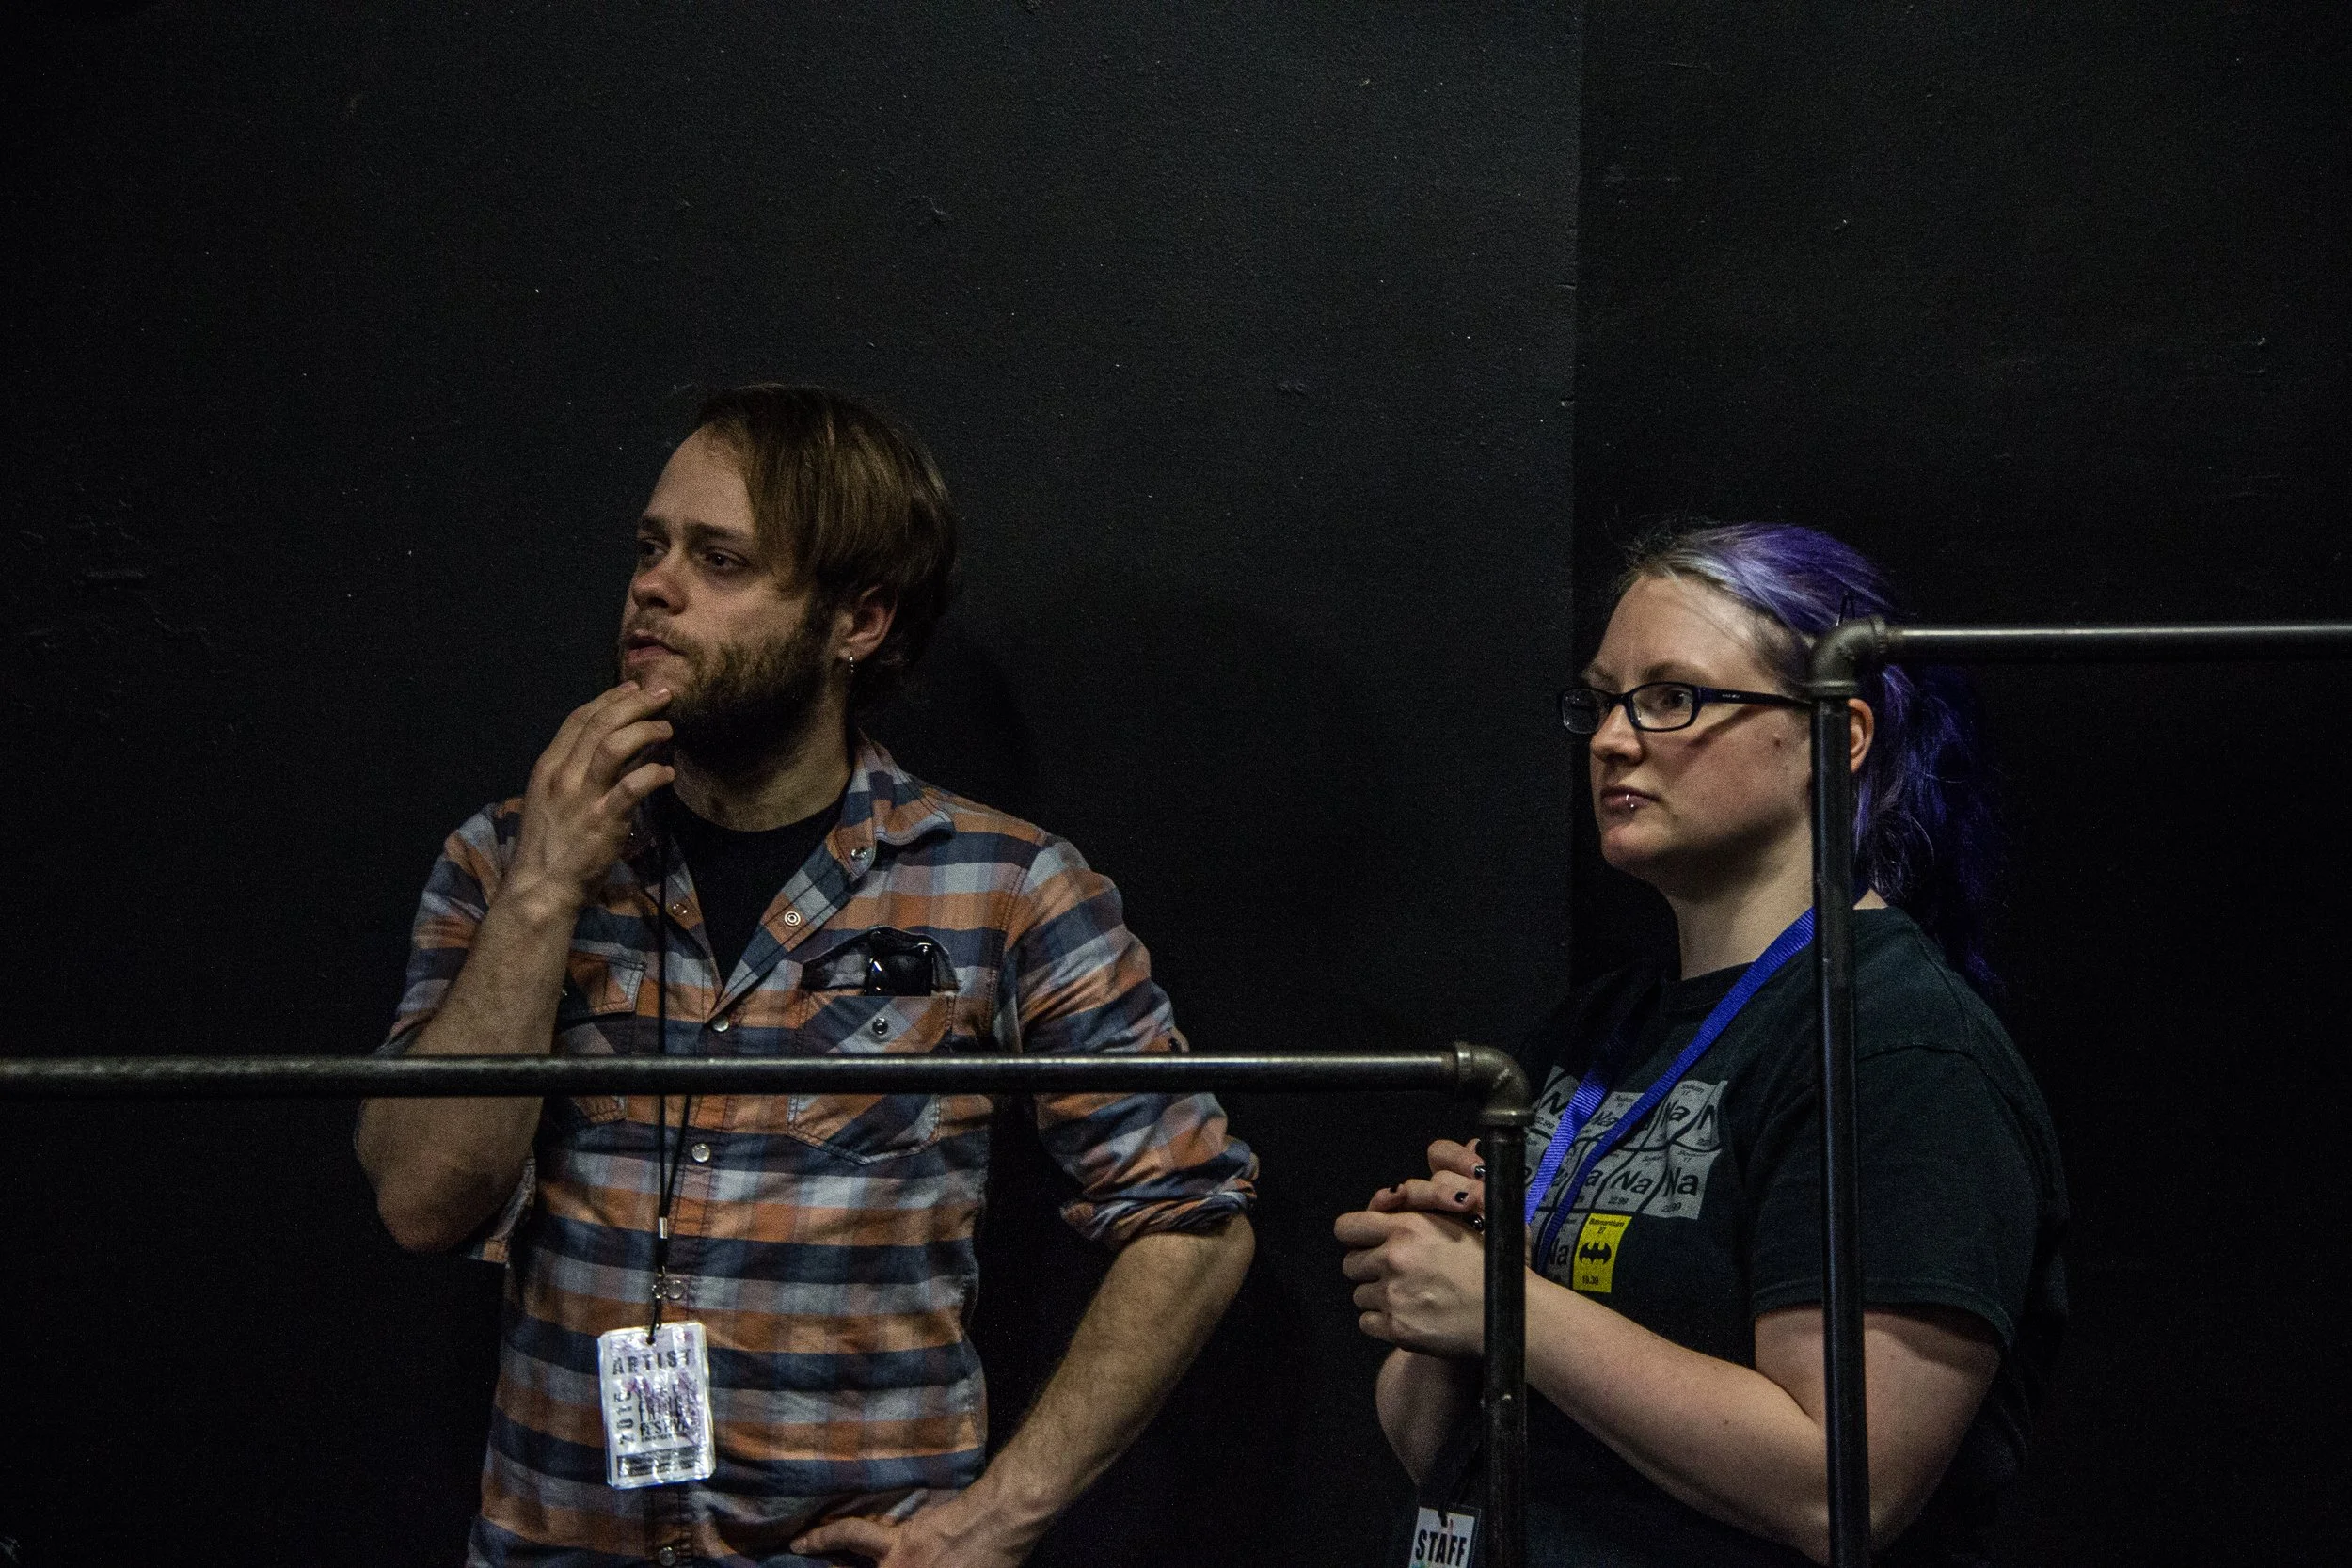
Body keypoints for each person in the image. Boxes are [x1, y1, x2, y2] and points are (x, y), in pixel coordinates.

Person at [356, 384, 1258, 1568]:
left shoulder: (1004, 885)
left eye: (718, 558)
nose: (654, 586)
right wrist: (541, 890)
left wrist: (998, 1519)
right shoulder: (503, 857)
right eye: (649, 547)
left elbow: (1192, 1215)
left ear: (858, 620)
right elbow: (423, 1201)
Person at [1335, 524, 2066, 1566]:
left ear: (1834, 731)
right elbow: (1435, 1451)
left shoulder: (1897, 1044)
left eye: (1671, 697)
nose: (1610, 739)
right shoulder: (1591, 1032)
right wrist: (1449, 1278)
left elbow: (1839, 1490)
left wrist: (1508, 1303)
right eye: (1600, 699)